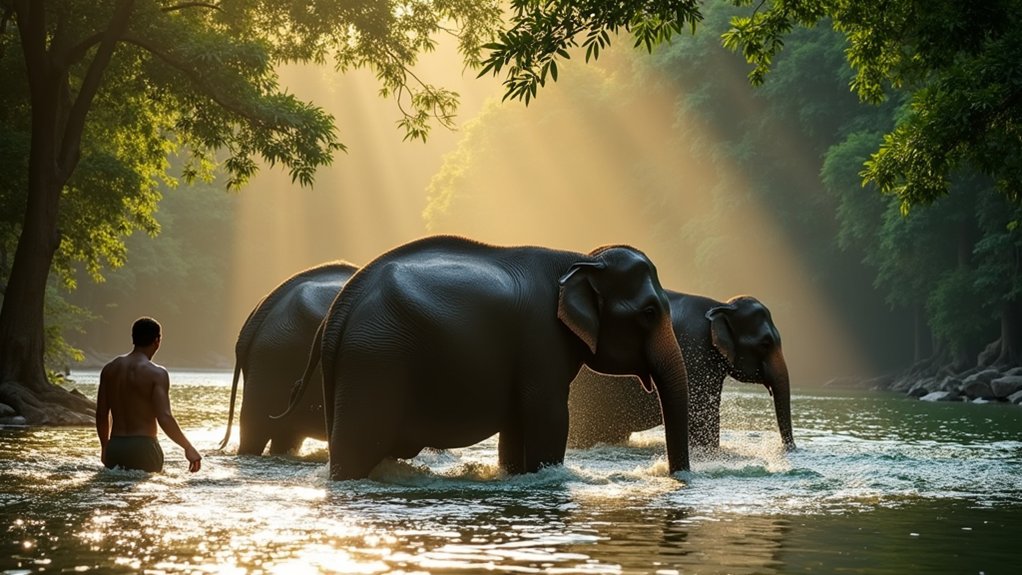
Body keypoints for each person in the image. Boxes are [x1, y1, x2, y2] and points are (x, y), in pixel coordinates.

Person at [95, 317, 202, 473]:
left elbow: (101, 414)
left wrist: (105, 446)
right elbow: (164, 417)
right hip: (143, 447)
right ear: (157, 340)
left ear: (133, 338)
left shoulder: (109, 369)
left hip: (115, 446)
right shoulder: (156, 373)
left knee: (114, 493)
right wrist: (188, 447)